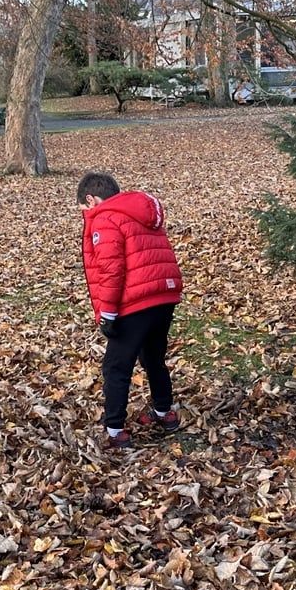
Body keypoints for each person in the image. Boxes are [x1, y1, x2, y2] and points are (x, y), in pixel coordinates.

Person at [78, 171, 184, 449]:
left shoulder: (105, 218)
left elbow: (111, 269)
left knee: (116, 366)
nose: (84, 214)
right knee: (152, 357)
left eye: (83, 208)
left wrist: (108, 313)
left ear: (91, 199)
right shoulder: (140, 211)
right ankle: (164, 413)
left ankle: (115, 430)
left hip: (135, 301)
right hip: (164, 295)